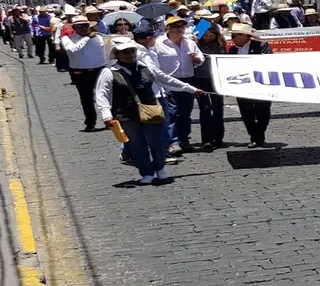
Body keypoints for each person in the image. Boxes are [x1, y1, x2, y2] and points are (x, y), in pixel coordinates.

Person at [95, 37, 202, 185]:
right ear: (117, 55)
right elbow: (102, 94)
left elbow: (166, 80)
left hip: (150, 111)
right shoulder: (109, 73)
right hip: (126, 114)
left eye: (131, 51)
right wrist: (106, 114)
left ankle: (160, 168)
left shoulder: (145, 67)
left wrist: (191, 89)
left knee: (156, 142)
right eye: (125, 52)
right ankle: (146, 172)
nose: (130, 55)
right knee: (137, 145)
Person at [155, 16, 204, 155]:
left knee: (185, 112)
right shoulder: (159, 43)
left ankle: (184, 139)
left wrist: (196, 59)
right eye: (175, 27)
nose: (179, 29)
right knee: (172, 112)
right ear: (167, 29)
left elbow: (201, 59)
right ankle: (173, 141)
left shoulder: (189, 43)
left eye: (181, 27)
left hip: (188, 80)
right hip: (169, 81)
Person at [228, 24, 274, 146]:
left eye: (234, 35)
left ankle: (259, 135)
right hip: (242, 85)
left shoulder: (261, 46)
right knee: (246, 112)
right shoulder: (232, 50)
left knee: (263, 111)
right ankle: (255, 137)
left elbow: (269, 62)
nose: (232, 38)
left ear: (243, 36)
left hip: (261, 84)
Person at [62, 15, 108, 131]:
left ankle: (109, 120)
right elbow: (73, 50)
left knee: (105, 96)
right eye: (80, 26)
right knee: (86, 98)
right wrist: (87, 38)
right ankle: (90, 122)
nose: (83, 28)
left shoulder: (99, 38)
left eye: (86, 26)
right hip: (80, 72)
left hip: (100, 70)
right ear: (74, 28)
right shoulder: (67, 39)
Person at [192, 23, 226, 150]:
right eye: (206, 33)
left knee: (218, 108)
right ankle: (206, 139)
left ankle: (218, 138)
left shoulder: (219, 44)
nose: (209, 35)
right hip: (201, 79)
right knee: (205, 109)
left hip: (216, 79)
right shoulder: (196, 45)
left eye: (211, 33)